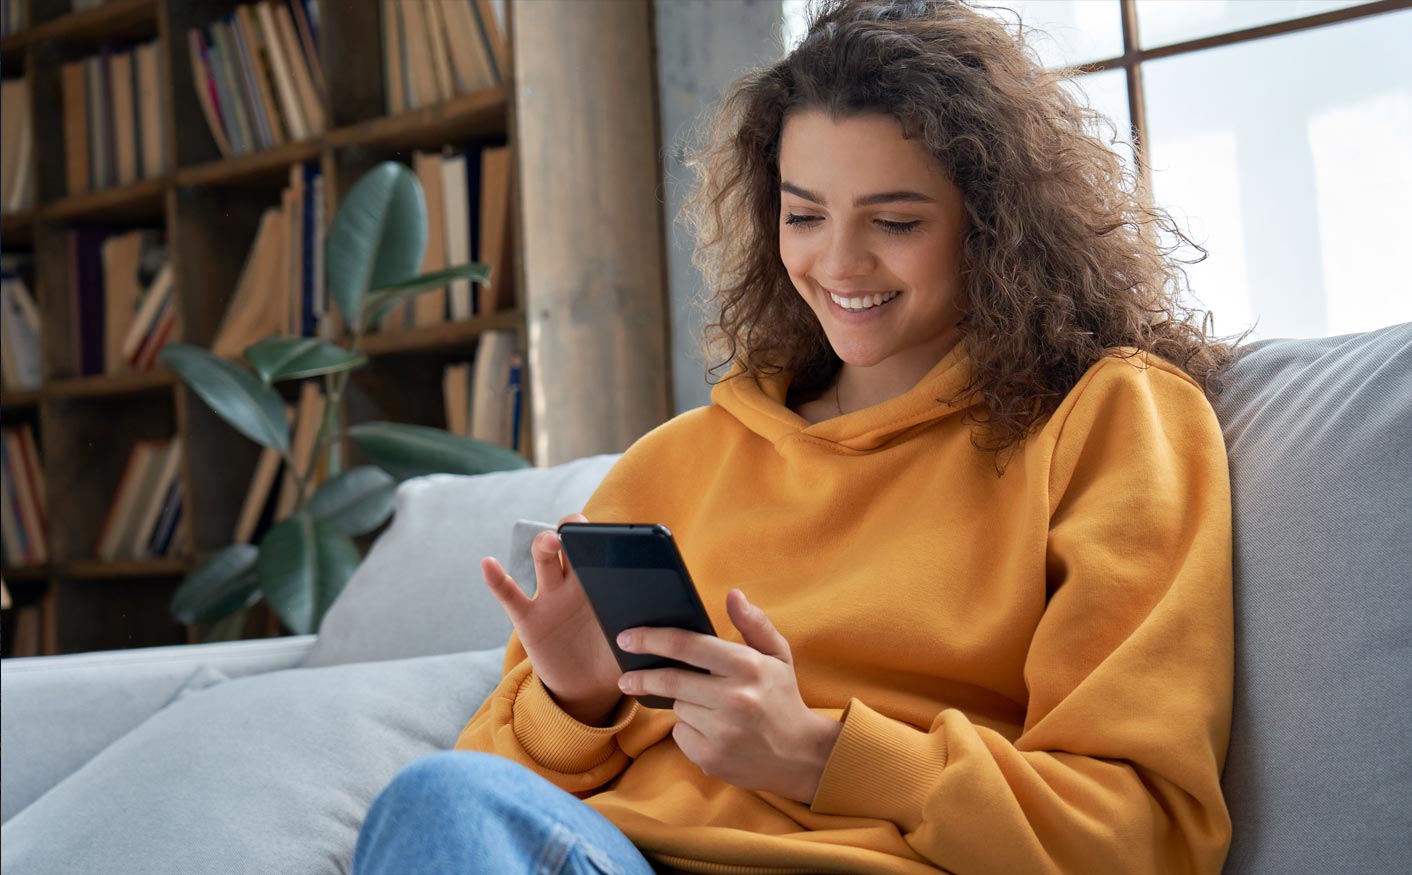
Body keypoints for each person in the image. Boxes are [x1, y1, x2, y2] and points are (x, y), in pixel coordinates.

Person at [352, 0, 1247, 872]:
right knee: (430, 799)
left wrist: (820, 753)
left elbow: (1140, 837)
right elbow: (475, 809)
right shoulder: (675, 461)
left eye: (895, 222)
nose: (839, 265)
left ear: (996, 226)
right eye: (805, 215)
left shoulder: (1109, 421)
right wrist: (576, 700)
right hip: (610, 853)